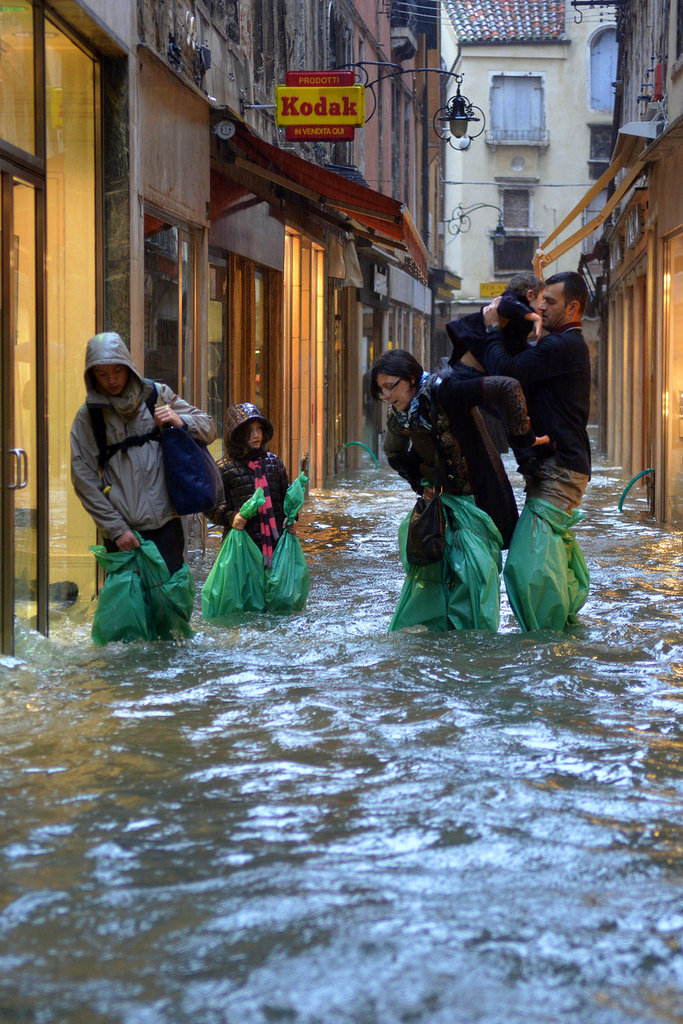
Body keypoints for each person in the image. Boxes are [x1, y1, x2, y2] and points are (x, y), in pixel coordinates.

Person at [372, 349, 549, 631]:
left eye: (390, 387)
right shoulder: (399, 415)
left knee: (477, 579)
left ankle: (475, 650)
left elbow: (508, 387)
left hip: (481, 502)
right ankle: (444, 650)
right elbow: (393, 452)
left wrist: (525, 444)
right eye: (381, 390)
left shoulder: (447, 390)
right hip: (442, 509)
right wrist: (421, 484)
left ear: (410, 379)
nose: (386, 396)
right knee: (437, 580)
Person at [478, 271, 592, 631]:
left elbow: (509, 372)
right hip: (558, 467)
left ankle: (548, 638)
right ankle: (564, 626)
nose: (541, 306)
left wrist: (494, 330)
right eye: (541, 299)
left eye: (551, 302)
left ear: (573, 308)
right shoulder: (558, 343)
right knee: (547, 553)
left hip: (561, 469)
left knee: (524, 565)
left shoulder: (564, 345)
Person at [70, 331, 217, 576]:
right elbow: (83, 478)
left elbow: (209, 427)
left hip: (167, 524)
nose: (112, 380)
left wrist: (179, 419)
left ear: (128, 367)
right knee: (130, 610)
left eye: (117, 371)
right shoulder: (89, 417)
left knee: (171, 604)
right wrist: (116, 528)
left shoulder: (156, 395)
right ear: (92, 376)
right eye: (102, 374)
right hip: (124, 533)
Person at [211, 403, 296, 566]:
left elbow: (286, 498)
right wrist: (231, 517)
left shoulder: (274, 463)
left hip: (276, 547)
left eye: (259, 429)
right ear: (238, 435)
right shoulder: (224, 468)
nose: (256, 435)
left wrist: (292, 519)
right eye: (250, 431)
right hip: (242, 550)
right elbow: (212, 506)